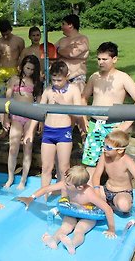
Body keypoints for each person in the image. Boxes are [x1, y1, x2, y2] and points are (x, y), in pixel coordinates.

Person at [16, 166, 116, 255]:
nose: (64, 184)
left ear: (80, 187)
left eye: (67, 184)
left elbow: (107, 209)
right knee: (65, 227)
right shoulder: (66, 184)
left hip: (88, 214)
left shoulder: (89, 194)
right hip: (72, 210)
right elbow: (47, 189)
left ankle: (73, 244)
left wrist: (111, 229)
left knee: (80, 230)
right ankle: (53, 241)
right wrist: (31, 198)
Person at [81, 42, 135, 176]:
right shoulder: (94, 77)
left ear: (114, 59)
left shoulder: (123, 77)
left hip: (114, 127)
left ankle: (117, 191)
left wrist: (125, 125)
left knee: (115, 165)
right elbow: (84, 98)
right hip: (94, 125)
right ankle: (90, 192)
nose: (101, 62)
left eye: (105, 59)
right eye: (99, 59)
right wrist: (83, 119)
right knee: (90, 162)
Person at [23, 61, 84, 200]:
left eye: (59, 80)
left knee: (64, 168)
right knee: (46, 167)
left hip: (64, 132)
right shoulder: (48, 91)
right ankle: (43, 196)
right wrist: (30, 131)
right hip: (49, 132)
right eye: (53, 79)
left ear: (67, 76)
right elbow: (38, 112)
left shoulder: (73, 90)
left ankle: (64, 196)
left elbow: (79, 114)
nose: (56, 83)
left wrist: (64, 103)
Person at [3, 55, 42, 189]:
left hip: (30, 117)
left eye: (32, 69)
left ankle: (23, 180)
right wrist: (5, 118)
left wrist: (40, 123)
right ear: (22, 66)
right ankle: (10, 177)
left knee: (27, 148)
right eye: (27, 68)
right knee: (13, 148)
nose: (29, 71)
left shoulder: (36, 83)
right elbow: (6, 100)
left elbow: (39, 104)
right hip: (16, 116)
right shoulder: (14, 80)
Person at [92, 130, 135, 217]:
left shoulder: (127, 161)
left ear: (119, 150)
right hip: (105, 190)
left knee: (123, 206)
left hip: (122, 193)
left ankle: (110, 206)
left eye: (108, 147)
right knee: (86, 190)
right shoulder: (104, 156)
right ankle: (107, 205)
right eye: (103, 145)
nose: (104, 149)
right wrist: (96, 192)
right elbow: (96, 176)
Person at [0, 20, 25, 137]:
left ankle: (18, 129)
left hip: (14, 72)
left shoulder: (19, 41)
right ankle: (4, 128)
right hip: (2, 72)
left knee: (15, 101)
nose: (5, 36)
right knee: (1, 102)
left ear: (11, 30)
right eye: (3, 34)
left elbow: (23, 57)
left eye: (7, 33)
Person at [55, 14, 89, 92]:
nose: (61, 27)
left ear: (70, 25)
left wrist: (59, 50)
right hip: (61, 77)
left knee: (76, 101)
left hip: (77, 76)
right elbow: (51, 54)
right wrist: (67, 48)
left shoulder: (82, 39)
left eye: (63, 24)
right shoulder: (62, 40)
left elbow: (72, 53)